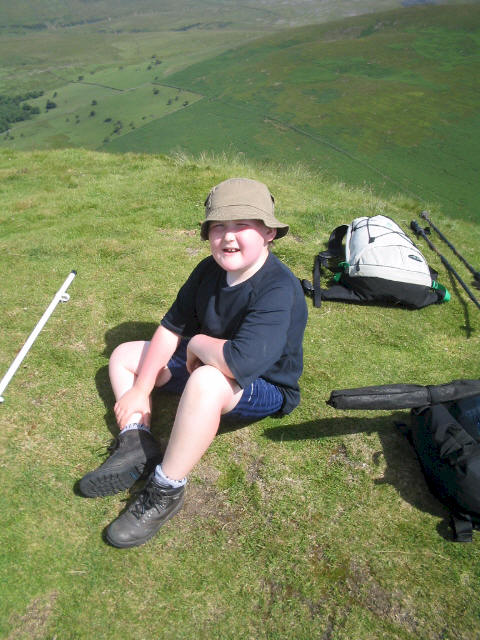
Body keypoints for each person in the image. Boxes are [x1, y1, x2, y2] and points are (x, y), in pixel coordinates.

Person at [78, 177, 308, 548]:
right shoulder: (208, 270)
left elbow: (238, 362)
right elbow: (170, 327)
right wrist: (140, 390)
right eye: (218, 227)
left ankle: (166, 488)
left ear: (268, 232)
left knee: (207, 381)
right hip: (205, 365)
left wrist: (198, 343)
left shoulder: (279, 288)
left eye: (241, 226)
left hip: (260, 384)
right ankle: (136, 440)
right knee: (124, 355)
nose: (228, 237)